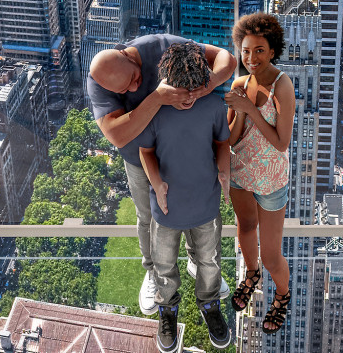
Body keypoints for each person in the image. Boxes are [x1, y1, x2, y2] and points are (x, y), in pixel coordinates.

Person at [87, 34, 235, 314]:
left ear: (129, 56)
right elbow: (116, 135)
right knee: (148, 218)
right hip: (139, 156)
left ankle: (198, 261)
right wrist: (157, 98)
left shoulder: (161, 46)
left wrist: (205, 87)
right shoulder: (99, 80)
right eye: (125, 89)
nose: (135, 86)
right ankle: (154, 272)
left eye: (134, 77)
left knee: (198, 208)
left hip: (187, 149)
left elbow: (227, 59)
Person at [137, 42, 232, 352]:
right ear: (167, 81)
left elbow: (221, 143)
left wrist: (225, 171)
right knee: (163, 267)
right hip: (165, 208)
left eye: (196, 87)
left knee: (210, 262)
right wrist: (157, 183)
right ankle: (167, 312)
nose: (190, 96)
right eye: (182, 89)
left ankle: (210, 306)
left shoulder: (214, 106)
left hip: (205, 203)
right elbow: (145, 151)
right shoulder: (155, 111)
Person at [223, 13, 294, 333]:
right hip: (240, 172)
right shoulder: (239, 84)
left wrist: (251, 109)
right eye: (246, 51)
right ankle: (250, 276)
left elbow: (281, 142)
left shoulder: (283, 85)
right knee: (245, 229)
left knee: (272, 255)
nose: (251, 58)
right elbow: (232, 137)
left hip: (271, 179)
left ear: (273, 50)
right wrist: (239, 111)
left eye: (259, 50)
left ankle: (282, 295)